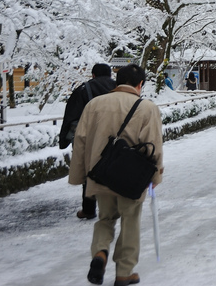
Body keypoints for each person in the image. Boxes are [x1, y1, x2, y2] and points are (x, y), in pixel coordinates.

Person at [68, 63, 163, 286]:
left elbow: (80, 141)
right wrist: (155, 177)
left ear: (117, 81)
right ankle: (124, 272)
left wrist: (79, 175)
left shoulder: (94, 105)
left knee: (105, 218)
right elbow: (153, 145)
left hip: (101, 173)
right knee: (130, 221)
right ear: (140, 84)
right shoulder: (147, 107)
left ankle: (100, 253)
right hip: (131, 177)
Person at [59, 63, 116, 220]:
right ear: (110, 75)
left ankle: (89, 209)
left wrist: (66, 138)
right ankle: (114, 207)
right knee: (116, 169)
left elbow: (71, 116)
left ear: (93, 75)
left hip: (90, 138)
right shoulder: (119, 89)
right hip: (116, 137)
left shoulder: (84, 89)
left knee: (89, 172)